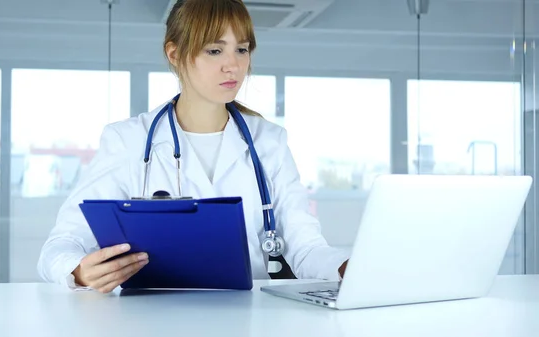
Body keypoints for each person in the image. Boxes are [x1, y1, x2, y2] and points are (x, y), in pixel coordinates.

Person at [37, 0, 349, 293]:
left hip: (251, 317)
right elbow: (61, 244)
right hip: (151, 319)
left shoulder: (269, 141)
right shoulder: (128, 140)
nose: (234, 66)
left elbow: (305, 247)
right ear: (174, 54)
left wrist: (347, 267)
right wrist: (78, 271)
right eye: (215, 50)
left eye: (242, 49)